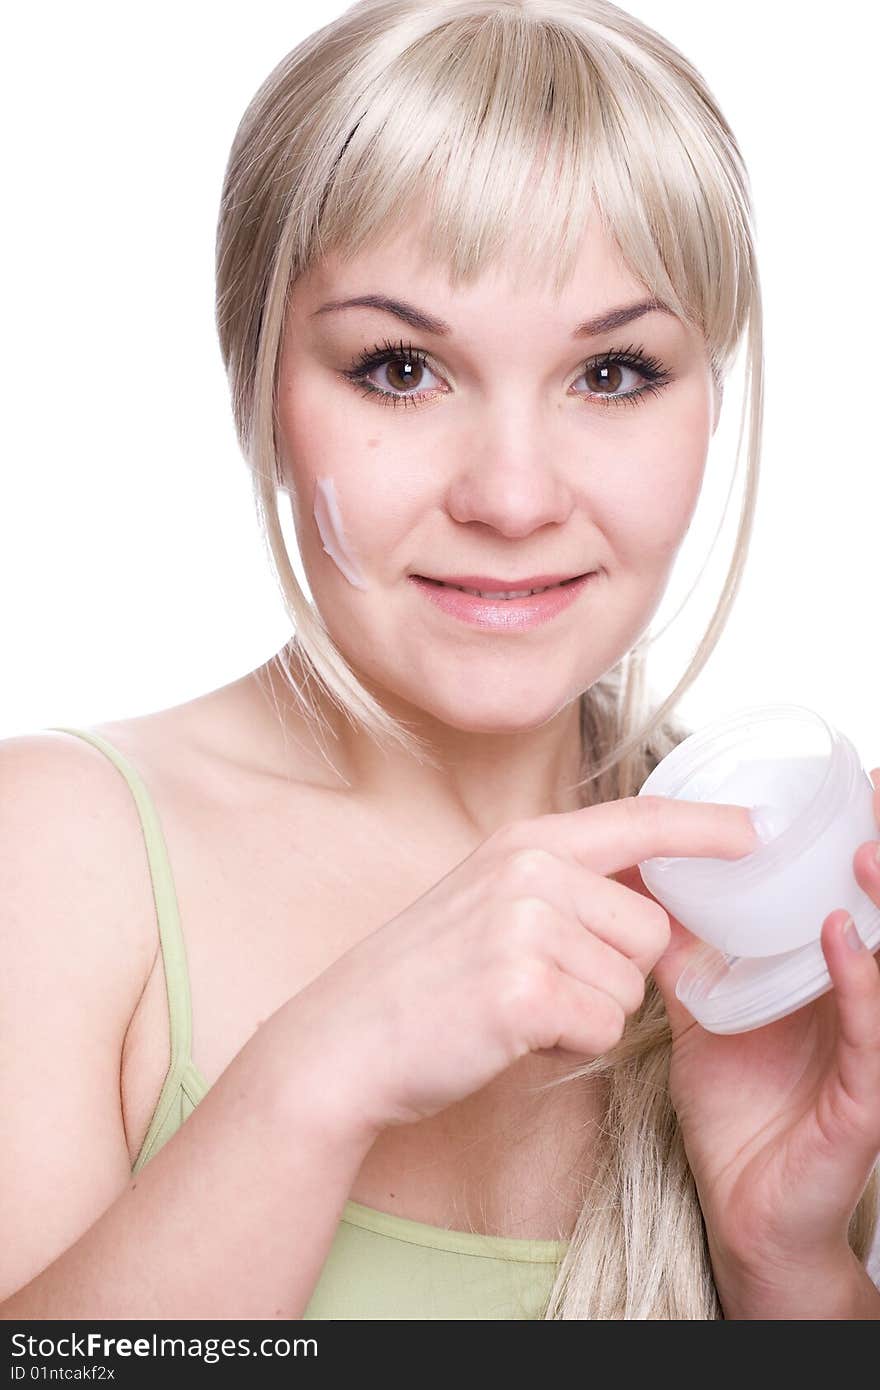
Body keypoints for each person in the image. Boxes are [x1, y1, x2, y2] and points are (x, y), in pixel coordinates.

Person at [2, 0, 879, 1322]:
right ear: (262, 382)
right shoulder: (58, 857)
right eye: (402, 366)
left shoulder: (758, 908)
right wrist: (319, 1074)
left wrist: (788, 1269)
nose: (514, 497)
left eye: (616, 371)